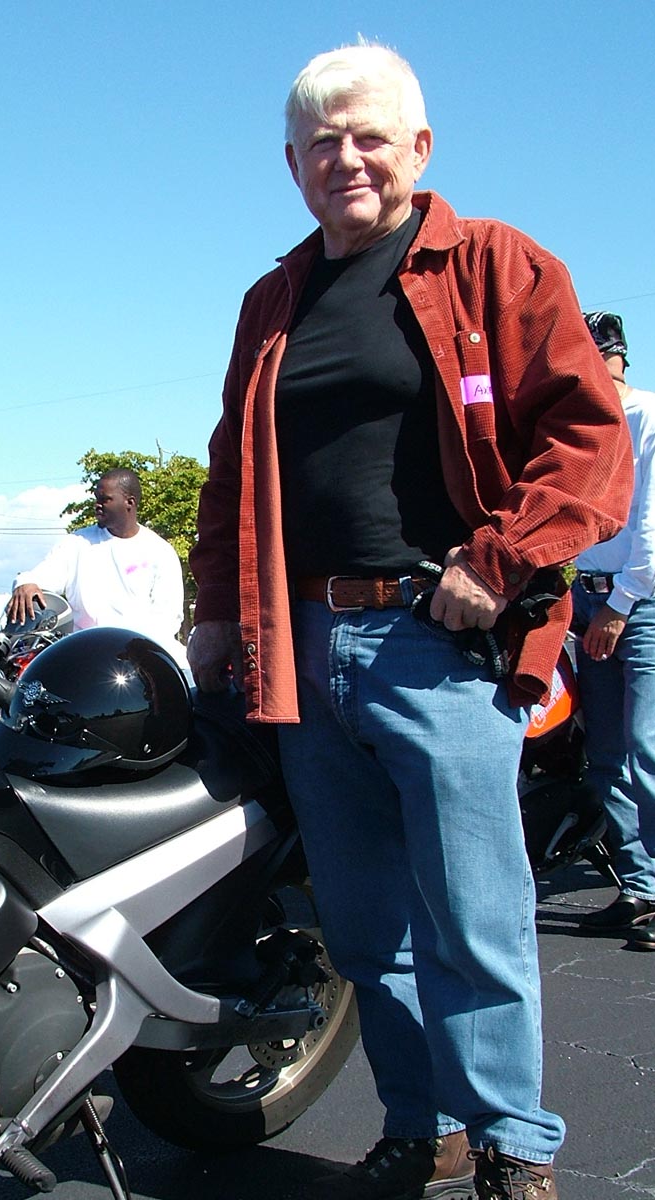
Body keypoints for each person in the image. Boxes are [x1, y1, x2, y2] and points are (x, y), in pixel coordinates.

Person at [188, 42, 633, 1200]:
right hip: (305, 652)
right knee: (362, 926)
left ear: (419, 148)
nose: (346, 159)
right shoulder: (273, 301)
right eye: (320, 143)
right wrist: (214, 615)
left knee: (473, 917)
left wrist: (500, 557)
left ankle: (513, 1145)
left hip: (434, 647)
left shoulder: (494, 266)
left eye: (370, 137)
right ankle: (422, 1125)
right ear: (292, 165)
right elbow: (232, 475)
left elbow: (590, 443)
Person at [572, 312, 655, 952]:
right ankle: (639, 886)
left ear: (617, 357)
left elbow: (651, 527)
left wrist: (620, 604)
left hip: (640, 602)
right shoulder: (583, 426)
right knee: (604, 753)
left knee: (645, 745)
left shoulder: (646, 416)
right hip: (586, 594)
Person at [7, 468, 187, 663]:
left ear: (129, 502)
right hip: (85, 655)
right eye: (96, 498)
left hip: (138, 655)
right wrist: (25, 583)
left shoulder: (159, 550)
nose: (97, 505)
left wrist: (134, 651)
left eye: (105, 499)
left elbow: (167, 618)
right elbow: (40, 578)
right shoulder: (77, 543)